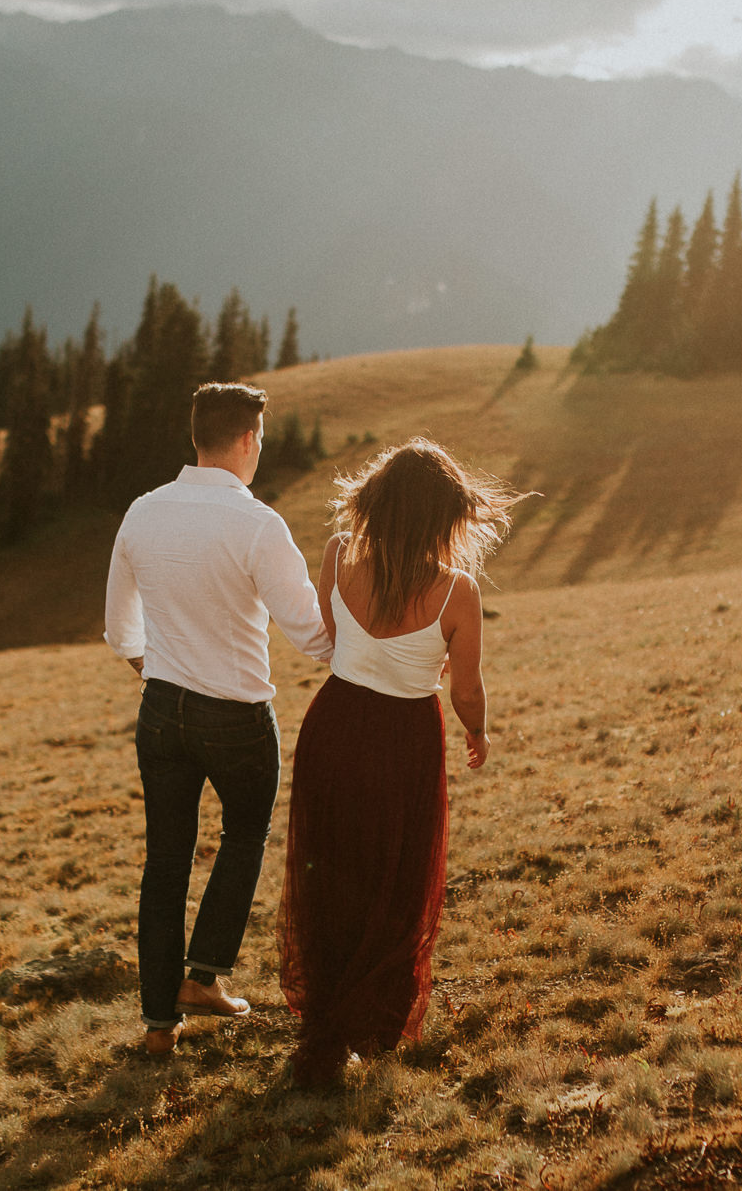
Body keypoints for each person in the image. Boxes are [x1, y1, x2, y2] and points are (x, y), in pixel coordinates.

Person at [277, 437, 524, 1084]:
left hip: (333, 725)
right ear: (445, 516)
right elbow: (466, 688)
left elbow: (334, 638)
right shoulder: (456, 591)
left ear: (377, 501)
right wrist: (478, 731)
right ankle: (377, 1025)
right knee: (396, 877)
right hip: (403, 738)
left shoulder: (337, 553)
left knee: (329, 871)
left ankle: (324, 1028)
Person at [103, 382, 335, 1056]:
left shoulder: (142, 512)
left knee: (165, 861)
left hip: (160, 710)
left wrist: (161, 670)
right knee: (245, 834)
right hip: (236, 715)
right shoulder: (258, 523)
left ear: (196, 435)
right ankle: (203, 975)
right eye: (259, 439)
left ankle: (157, 1025)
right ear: (246, 440)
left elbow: (121, 629)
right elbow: (312, 635)